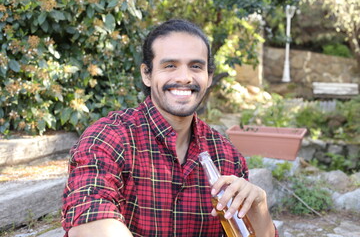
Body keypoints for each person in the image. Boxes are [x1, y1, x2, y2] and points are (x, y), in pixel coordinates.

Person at [62, 19, 278, 237]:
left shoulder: (227, 156)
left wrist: (259, 205)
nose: (184, 78)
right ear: (147, 74)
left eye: (196, 66)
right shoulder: (109, 138)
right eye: (170, 66)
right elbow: (90, 221)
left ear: (209, 76)